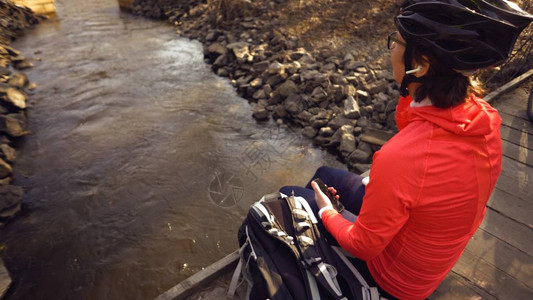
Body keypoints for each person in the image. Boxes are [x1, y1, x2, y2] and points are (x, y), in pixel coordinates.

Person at [280, 0, 533, 299]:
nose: (390, 49)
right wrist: (412, 88)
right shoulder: (483, 118)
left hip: (396, 280)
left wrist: (325, 211)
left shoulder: (402, 157)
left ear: (422, 64)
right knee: (324, 173)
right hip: (432, 254)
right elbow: (420, 154)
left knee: (290, 194)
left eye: (395, 42)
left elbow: (363, 245)